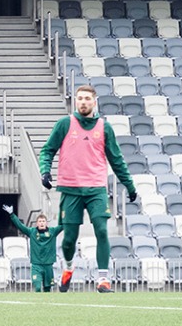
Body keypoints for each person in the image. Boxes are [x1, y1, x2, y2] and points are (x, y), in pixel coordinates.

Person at [37, 84, 138, 293]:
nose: (83, 102)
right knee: (68, 240)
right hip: (71, 189)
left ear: (94, 101)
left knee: (102, 230)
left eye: (87, 99)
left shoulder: (104, 127)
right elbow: (47, 150)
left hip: (96, 189)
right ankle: (68, 268)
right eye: (79, 98)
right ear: (76, 101)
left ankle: (103, 280)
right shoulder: (65, 124)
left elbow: (116, 159)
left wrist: (129, 185)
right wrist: (45, 172)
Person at [3, 204, 61, 292]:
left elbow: (63, 226)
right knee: (37, 287)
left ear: (46, 223)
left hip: (48, 265)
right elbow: (20, 226)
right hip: (36, 265)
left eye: (43, 221)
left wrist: (71, 214)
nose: (41, 223)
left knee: (47, 289)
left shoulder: (53, 231)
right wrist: (12, 215)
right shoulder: (32, 232)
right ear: (37, 223)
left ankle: (46, 304)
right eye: (40, 221)